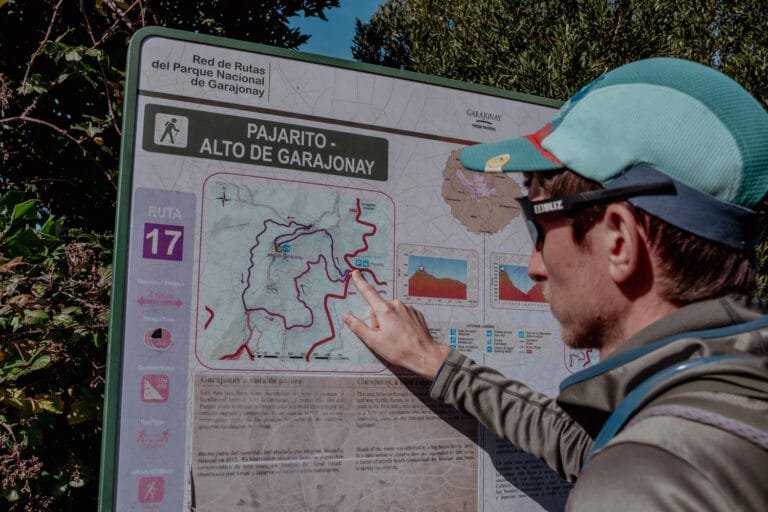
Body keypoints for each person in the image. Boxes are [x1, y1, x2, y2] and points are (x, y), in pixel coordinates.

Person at [342, 57, 768, 510]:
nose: (534, 265)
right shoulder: (724, 395)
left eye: (539, 225)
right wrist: (435, 362)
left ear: (619, 241)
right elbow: (587, 446)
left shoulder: (640, 484)